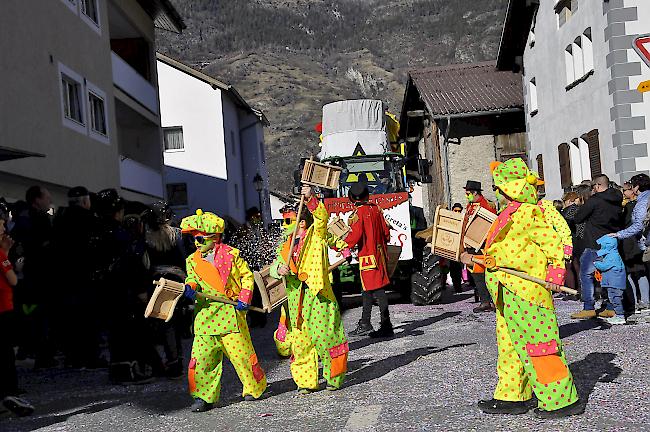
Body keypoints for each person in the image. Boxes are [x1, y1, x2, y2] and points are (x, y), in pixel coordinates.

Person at [461, 158, 582, 419]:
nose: (496, 192)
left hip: (528, 290)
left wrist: (555, 274)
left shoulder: (528, 212)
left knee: (540, 345)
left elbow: (553, 242)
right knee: (509, 345)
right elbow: (502, 254)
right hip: (506, 288)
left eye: (499, 187)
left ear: (510, 189)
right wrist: (475, 259)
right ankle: (513, 395)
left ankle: (561, 399)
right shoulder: (507, 214)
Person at [181, 209, 267, 412]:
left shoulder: (232, 255)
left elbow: (247, 276)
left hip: (231, 314)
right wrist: (191, 287)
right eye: (194, 239)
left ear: (215, 238)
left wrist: (245, 298)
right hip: (205, 316)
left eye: (200, 239)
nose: (196, 244)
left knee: (242, 356)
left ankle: (254, 387)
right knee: (202, 359)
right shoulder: (192, 260)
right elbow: (192, 278)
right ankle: (203, 396)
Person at [270, 186, 349, 394]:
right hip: (297, 300)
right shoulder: (285, 246)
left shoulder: (317, 235)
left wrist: (310, 198)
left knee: (327, 339)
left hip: (319, 295)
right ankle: (305, 382)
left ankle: (334, 377)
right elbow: (273, 267)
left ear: (301, 223)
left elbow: (322, 216)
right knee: (301, 343)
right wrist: (280, 269)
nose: (284, 226)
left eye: (288, 221)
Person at [52, 186, 103, 368]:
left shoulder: (60, 219)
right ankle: (90, 357)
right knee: (88, 319)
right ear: (84, 201)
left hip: (65, 277)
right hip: (86, 276)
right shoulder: (90, 220)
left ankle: (72, 356)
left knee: (70, 320)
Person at [10, 186, 55, 367]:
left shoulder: (23, 220)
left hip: (27, 279)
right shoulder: (39, 220)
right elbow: (44, 248)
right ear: (37, 199)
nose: (49, 201)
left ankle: (29, 347)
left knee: (30, 312)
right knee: (40, 314)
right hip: (39, 278)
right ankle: (42, 353)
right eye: (46, 198)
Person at [143, 201, 187, 378]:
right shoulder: (176, 235)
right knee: (173, 322)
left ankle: (164, 362)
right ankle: (176, 362)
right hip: (176, 281)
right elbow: (185, 258)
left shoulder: (147, 236)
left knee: (161, 322)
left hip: (155, 282)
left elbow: (145, 263)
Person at [571, 175, 623, 319]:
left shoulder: (594, 200)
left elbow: (578, 218)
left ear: (597, 186)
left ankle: (589, 307)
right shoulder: (617, 199)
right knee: (609, 275)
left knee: (586, 274)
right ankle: (612, 306)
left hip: (595, 241)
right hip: (612, 240)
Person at [345, 182, 393, 337]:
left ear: (352, 198)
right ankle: (366, 322)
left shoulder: (359, 213)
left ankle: (385, 325)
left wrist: (343, 245)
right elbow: (386, 232)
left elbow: (355, 236)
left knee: (377, 290)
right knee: (368, 290)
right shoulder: (376, 209)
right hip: (380, 253)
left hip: (367, 256)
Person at [0, 213, 34, 417]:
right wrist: (6, 254)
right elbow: (13, 280)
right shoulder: (0, 254)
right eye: (1, 224)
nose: (4, 228)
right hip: (3, 308)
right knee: (5, 353)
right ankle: (8, 393)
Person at [608, 174, 650, 312]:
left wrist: (619, 234)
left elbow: (638, 225)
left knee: (638, 272)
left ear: (637, 187)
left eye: (631, 187)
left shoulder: (641, 202)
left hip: (644, 241)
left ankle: (642, 301)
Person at [463, 180, 497, 313]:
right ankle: (484, 301)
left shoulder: (486, 205)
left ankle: (494, 301)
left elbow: (491, 224)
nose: (467, 196)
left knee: (490, 274)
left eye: (468, 194)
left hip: (484, 245)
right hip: (472, 245)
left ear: (475, 192)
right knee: (477, 275)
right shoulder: (469, 206)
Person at [593, 236, 627, 325]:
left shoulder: (612, 255)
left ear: (608, 245)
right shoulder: (611, 254)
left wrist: (596, 264)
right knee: (614, 298)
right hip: (612, 282)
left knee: (616, 299)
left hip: (615, 283)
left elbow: (605, 266)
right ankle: (618, 315)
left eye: (603, 245)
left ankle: (620, 316)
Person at [448, 203, 464, 293]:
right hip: (451, 247)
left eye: (459, 211)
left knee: (459, 268)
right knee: (454, 268)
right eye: (455, 211)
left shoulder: (462, 219)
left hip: (460, 247)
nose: (457, 212)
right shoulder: (449, 220)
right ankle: (457, 286)